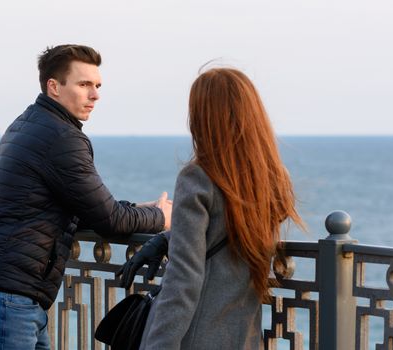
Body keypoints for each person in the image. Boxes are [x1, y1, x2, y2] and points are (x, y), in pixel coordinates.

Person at [0, 44, 172, 350]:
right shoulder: (61, 137)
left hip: (9, 295)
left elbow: (82, 203)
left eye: (97, 86)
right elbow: (109, 219)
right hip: (8, 299)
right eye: (84, 84)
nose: (95, 95)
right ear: (54, 87)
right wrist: (162, 217)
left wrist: (138, 208)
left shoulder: (26, 125)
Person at [117, 67, 305, 349]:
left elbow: (184, 280)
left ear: (205, 119)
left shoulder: (198, 178)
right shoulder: (273, 179)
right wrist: (170, 237)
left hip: (194, 338)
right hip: (244, 338)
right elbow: (233, 233)